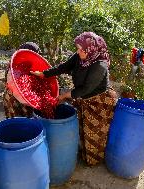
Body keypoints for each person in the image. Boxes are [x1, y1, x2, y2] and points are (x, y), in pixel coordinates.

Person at [31, 32, 117, 165]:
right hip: (83, 97)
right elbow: (64, 67)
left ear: (91, 49)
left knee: (95, 133)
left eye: (81, 49)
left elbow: (86, 89)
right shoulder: (79, 56)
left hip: (98, 101)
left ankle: (94, 161)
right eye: (77, 48)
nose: (78, 51)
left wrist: (65, 95)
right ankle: (83, 154)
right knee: (82, 128)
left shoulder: (100, 65)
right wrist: (44, 74)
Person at [3, 42, 41, 118]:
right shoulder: (15, 65)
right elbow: (16, 86)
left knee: (27, 121)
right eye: (34, 54)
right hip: (14, 98)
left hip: (24, 97)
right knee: (17, 122)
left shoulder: (29, 63)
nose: (37, 56)